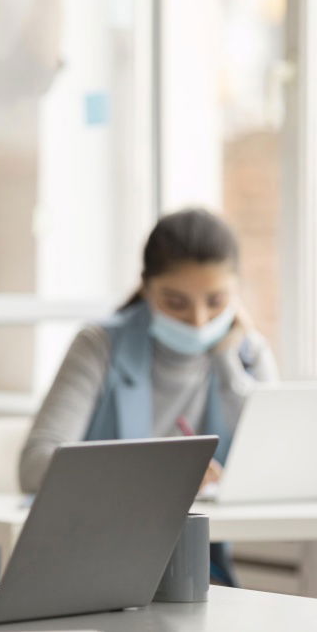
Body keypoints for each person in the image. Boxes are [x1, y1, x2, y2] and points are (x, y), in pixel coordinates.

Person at [19, 208, 278, 586]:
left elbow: (274, 463)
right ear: (146, 287)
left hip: (193, 568)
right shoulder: (100, 344)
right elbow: (34, 466)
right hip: (81, 560)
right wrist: (163, 475)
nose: (199, 320)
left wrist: (228, 367)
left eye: (217, 301)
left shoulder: (247, 353)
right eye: (176, 302)